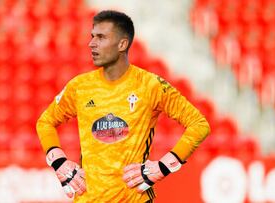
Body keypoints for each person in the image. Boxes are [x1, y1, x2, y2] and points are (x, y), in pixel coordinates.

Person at [36, 10, 210, 202]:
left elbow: (199, 124)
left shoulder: (150, 85)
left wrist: (164, 166)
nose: (91, 44)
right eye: (92, 36)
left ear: (122, 44)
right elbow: (45, 122)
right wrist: (59, 161)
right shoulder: (79, 86)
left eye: (101, 37)